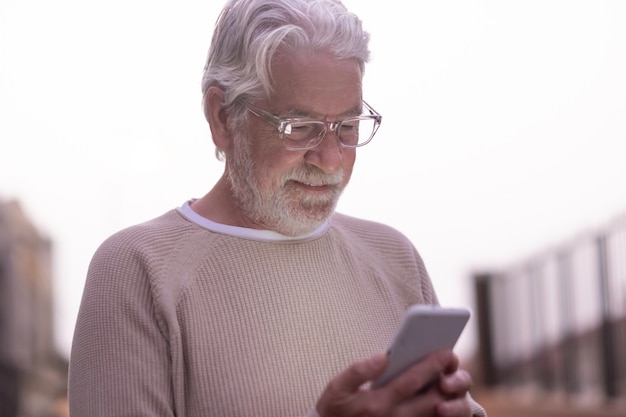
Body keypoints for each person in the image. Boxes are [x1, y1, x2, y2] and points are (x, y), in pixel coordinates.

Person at [68, 0, 487, 416]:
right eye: (299, 128)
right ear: (222, 117)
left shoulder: (395, 257)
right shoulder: (137, 270)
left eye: (347, 127)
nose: (329, 159)